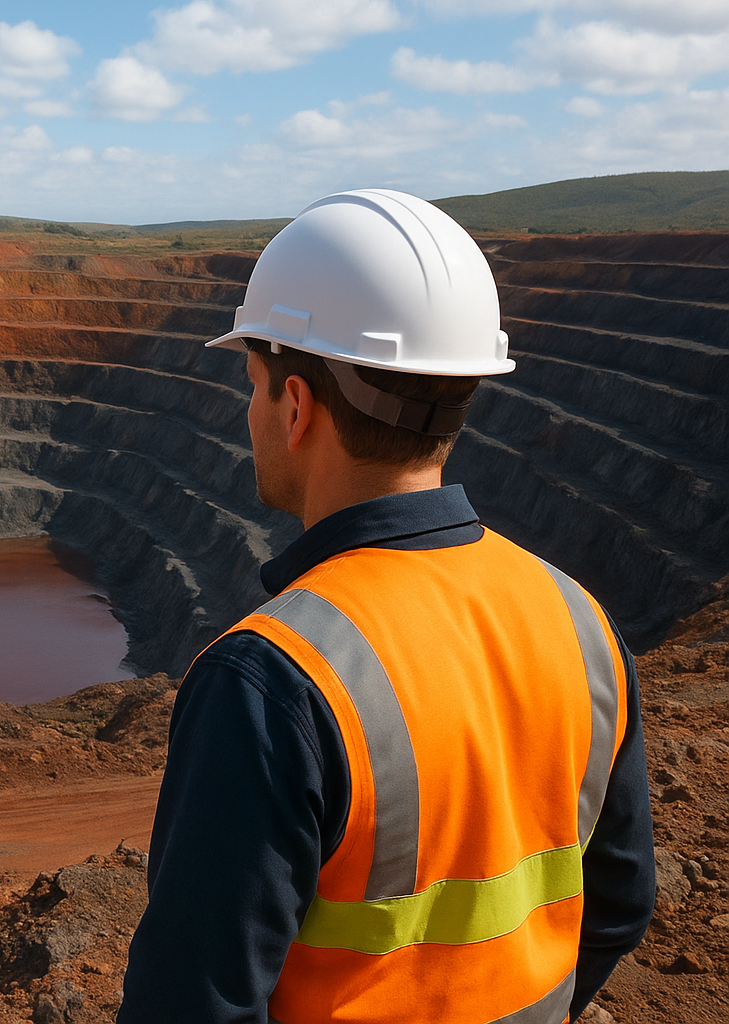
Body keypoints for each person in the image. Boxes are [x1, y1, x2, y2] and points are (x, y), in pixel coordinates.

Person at [118, 189, 655, 1024]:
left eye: (254, 384)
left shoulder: (272, 680)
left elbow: (191, 1004)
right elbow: (618, 903)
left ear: (296, 407)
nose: (248, 410)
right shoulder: (579, 619)